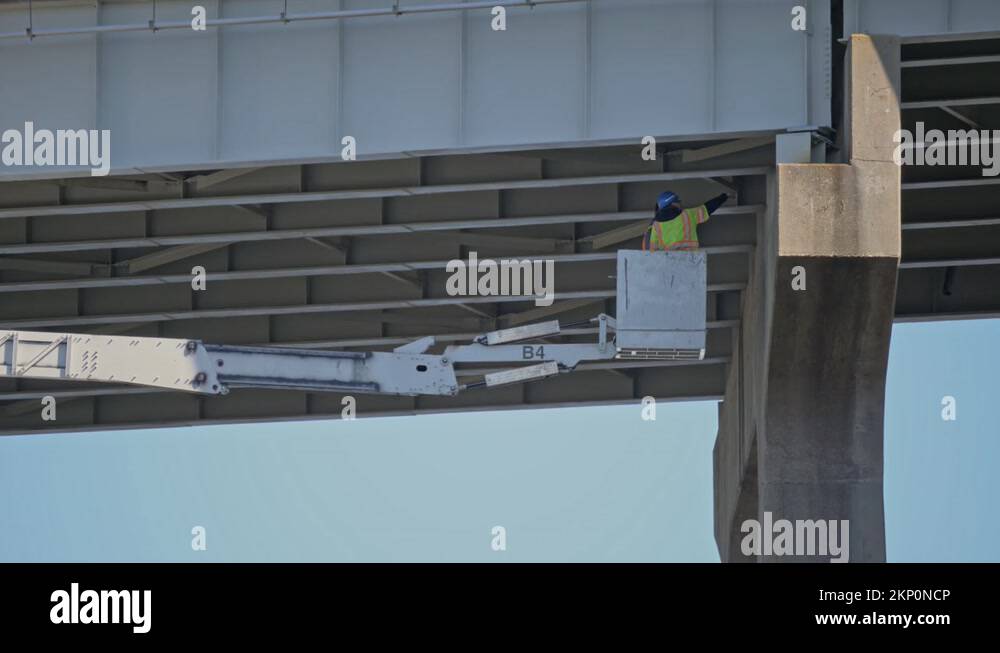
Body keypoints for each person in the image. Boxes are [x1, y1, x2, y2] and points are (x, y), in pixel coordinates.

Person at [642, 190, 729, 252]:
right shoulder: (688, 215)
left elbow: (652, 250)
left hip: (669, 265)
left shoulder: (656, 225)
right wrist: (724, 197)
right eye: (678, 201)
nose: (680, 204)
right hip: (690, 261)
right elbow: (708, 208)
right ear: (672, 203)